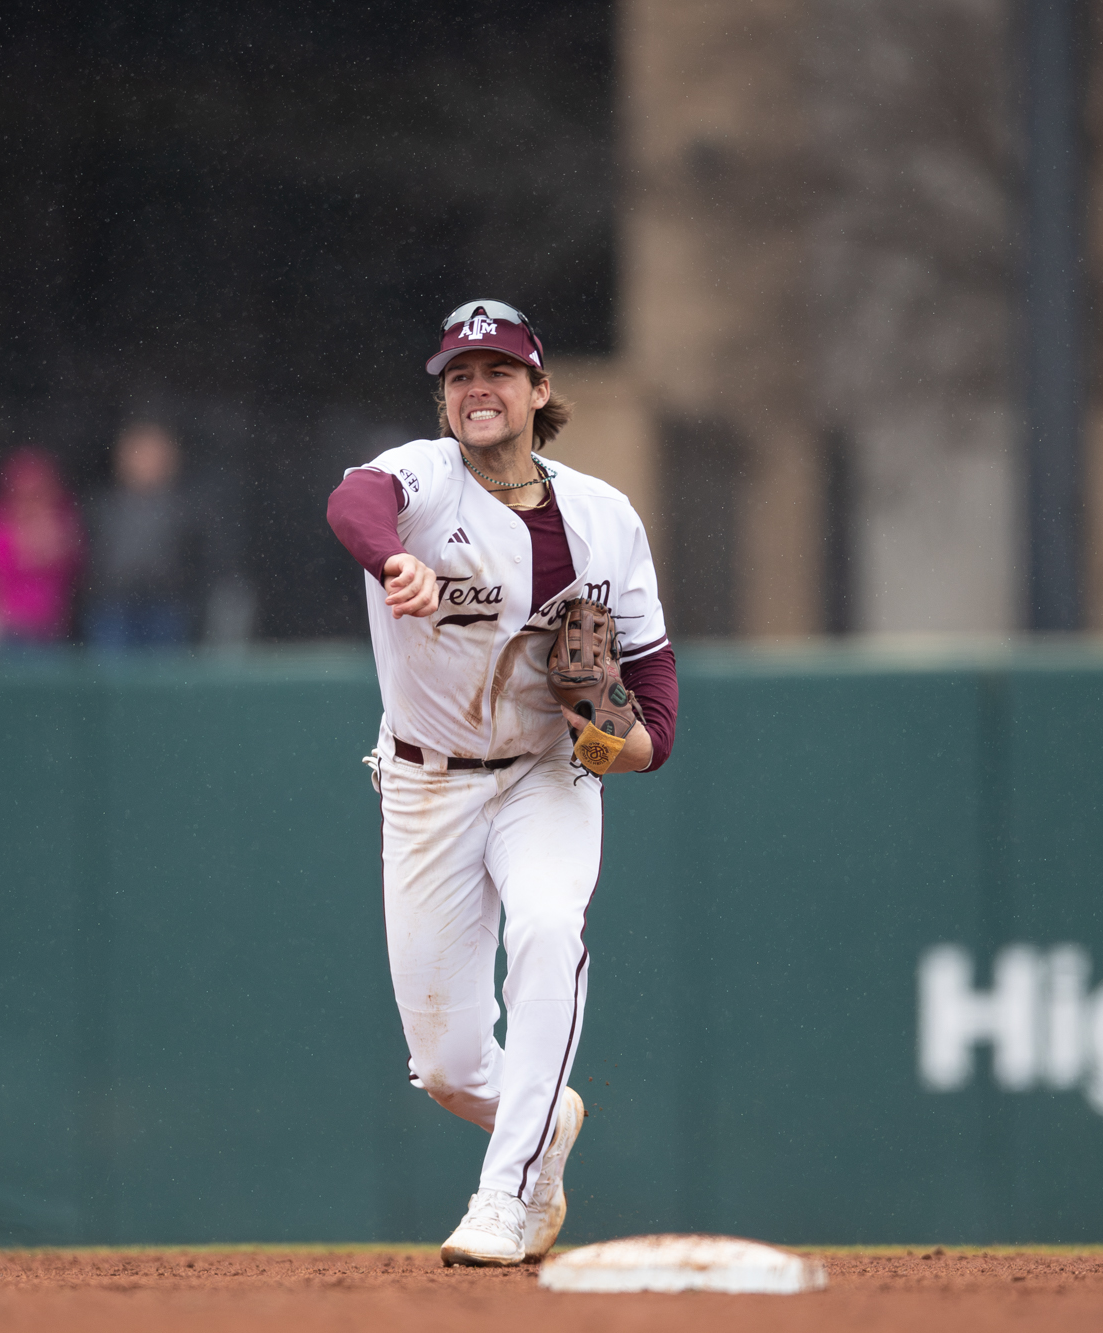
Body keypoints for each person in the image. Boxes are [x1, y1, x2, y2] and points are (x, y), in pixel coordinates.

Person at [325, 299, 678, 1266]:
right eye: (459, 376)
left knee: (548, 929)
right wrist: (395, 555)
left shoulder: (604, 516)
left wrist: (625, 744)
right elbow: (350, 501)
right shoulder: (422, 479)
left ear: (538, 391)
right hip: (426, 783)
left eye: (498, 372)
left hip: (545, 774)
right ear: (444, 400)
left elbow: (651, 684)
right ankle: (541, 1122)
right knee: (443, 1065)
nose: (477, 388)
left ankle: (506, 1195)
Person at [85, 421, 196, 649]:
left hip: (166, 605)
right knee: (112, 678)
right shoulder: (103, 506)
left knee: (165, 677)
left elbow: (196, 561)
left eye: (153, 455)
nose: (146, 463)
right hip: (112, 604)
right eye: (139, 455)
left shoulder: (183, 508)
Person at [0, 448, 83, 653]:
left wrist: (51, 544)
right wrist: (25, 547)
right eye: (24, 494)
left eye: (38, 493)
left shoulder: (64, 520)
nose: (31, 501)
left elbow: (74, 568)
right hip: (7, 629)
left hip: (50, 629)